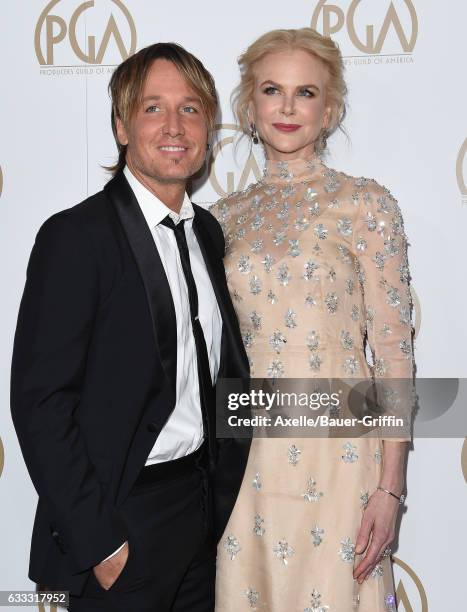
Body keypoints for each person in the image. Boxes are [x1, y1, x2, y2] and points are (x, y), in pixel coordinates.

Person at [10, 42, 250, 612]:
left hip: (199, 518)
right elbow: (40, 403)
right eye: (152, 108)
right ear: (121, 126)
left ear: (209, 128)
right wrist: (101, 542)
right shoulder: (76, 237)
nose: (174, 125)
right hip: (120, 524)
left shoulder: (208, 234)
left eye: (191, 108)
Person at [210, 28, 415, 611]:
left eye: (306, 93)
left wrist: (390, 489)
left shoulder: (367, 205)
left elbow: (395, 357)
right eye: (272, 90)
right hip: (245, 459)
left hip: (341, 460)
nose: (288, 107)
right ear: (250, 106)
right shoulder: (219, 219)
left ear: (329, 110)